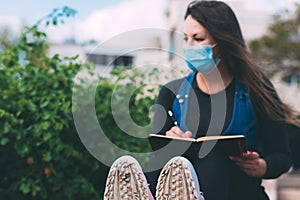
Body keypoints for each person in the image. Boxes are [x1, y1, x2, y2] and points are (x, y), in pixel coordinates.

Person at [104, 1, 294, 199]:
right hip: (181, 186)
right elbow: (155, 155)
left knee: (212, 158)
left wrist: (262, 166)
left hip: (239, 189)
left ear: (222, 43)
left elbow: (281, 156)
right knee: (169, 163)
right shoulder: (171, 93)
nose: (189, 47)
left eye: (198, 39)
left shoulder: (256, 90)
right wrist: (172, 143)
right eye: (186, 39)